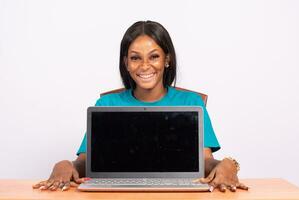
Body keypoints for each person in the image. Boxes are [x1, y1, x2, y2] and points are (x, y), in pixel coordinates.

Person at [33, 20, 248, 192]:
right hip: (116, 195)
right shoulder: (107, 105)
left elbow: (205, 161)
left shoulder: (191, 103)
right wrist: (65, 164)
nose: (145, 66)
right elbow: (85, 162)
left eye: (154, 56)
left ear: (167, 60)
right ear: (126, 63)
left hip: (179, 194)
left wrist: (228, 164)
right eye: (135, 58)